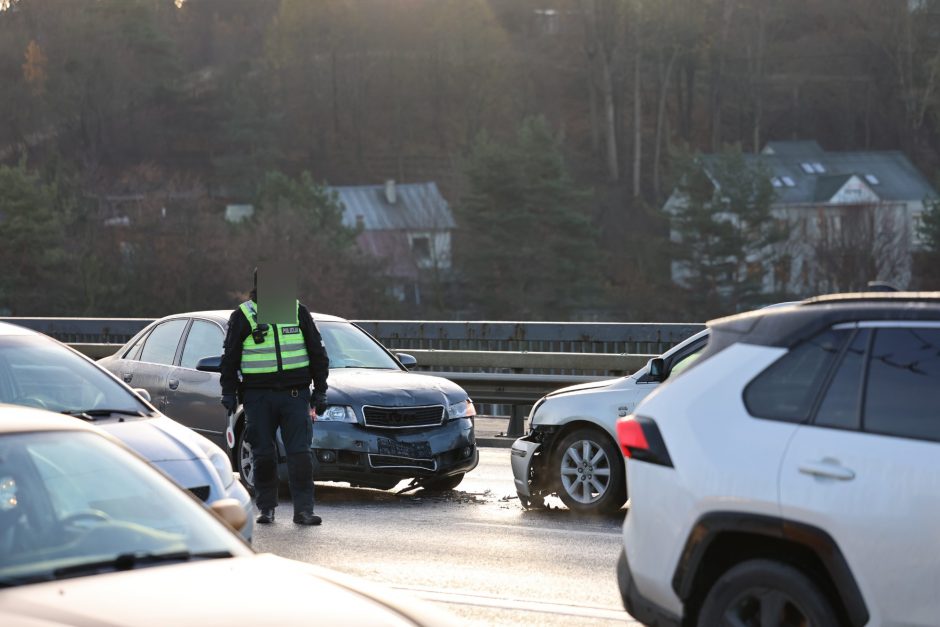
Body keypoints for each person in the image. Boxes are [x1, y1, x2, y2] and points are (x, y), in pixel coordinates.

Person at [219, 284, 329, 526]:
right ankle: (266, 508)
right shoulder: (244, 315)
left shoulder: (299, 311)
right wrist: (228, 391)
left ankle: (304, 511)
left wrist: (320, 390)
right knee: (263, 455)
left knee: (300, 454)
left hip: (294, 395)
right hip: (257, 398)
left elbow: (317, 352)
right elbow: (229, 358)